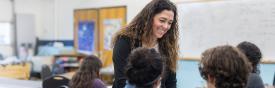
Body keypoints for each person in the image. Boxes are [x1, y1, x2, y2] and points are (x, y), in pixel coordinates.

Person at [112, 0, 178, 88]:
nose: (166, 26)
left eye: (170, 23)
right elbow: (121, 82)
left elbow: (171, 83)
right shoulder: (125, 41)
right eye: (162, 20)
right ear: (149, 18)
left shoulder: (167, 46)